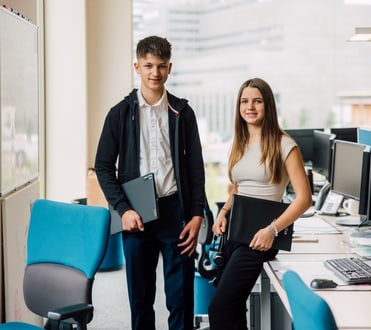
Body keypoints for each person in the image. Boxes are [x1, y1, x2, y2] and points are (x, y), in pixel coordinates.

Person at [94, 36, 205, 330]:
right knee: (141, 302)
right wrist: (123, 209)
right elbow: (104, 167)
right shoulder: (119, 114)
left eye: (160, 66)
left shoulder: (183, 113)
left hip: (175, 214)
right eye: (148, 66)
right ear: (137, 67)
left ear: (169, 68)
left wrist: (196, 215)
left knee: (181, 300)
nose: (155, 72)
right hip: (136, 214)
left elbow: (196, 169)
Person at [208, 77, 312, 329]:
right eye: (244, 101)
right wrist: (223, 212)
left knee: (218, 308)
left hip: (261, 236)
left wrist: (272, 230)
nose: (250, 107)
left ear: (268, 106)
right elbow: (238, 186)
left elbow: (304, 199)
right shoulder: (240, 142)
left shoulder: (284, 144)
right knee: (232, 308)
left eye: (257, 101)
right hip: (236, 230)